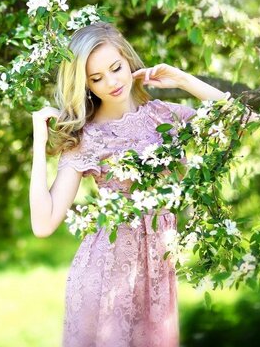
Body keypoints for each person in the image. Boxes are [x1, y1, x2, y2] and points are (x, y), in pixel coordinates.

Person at [29, 22, 227, 347]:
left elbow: (242, 121)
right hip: (105, 274)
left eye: (116, 68)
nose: (111, 82)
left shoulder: (163, 116)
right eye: (96, 78)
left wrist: (182, 80)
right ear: (85, 84)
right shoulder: (87, 138)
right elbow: (43, 223)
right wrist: (39, 140)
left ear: (127, 59)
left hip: (157, 273)